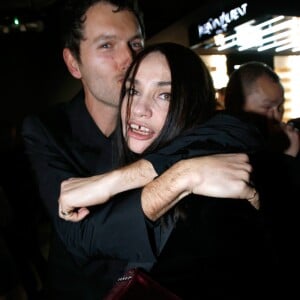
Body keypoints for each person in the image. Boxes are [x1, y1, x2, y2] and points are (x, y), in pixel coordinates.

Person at [21, 1, 257, 299]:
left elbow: (237, 129)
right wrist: (181, 176)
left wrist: (134, 177)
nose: (128, 58)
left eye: (135, 43)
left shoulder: (159, 120)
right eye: (107, 45)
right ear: (73, 63)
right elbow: (79, 233)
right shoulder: (49, 129)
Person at [55, 42, 276, 299]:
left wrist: (183, 175)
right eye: (132, 90)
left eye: (165, 95)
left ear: (192, 105)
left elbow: (239, 128)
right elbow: (79, 239)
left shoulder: (211, 197)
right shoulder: (105, 157)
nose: (138, 109)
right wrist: (179, 173)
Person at [224, 61, 300, 157]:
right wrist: (289, 157)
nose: (277, 116)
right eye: (267, 107)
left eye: (280, 107)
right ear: (238, 105)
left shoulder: (279, 139)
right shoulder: (227, 146)